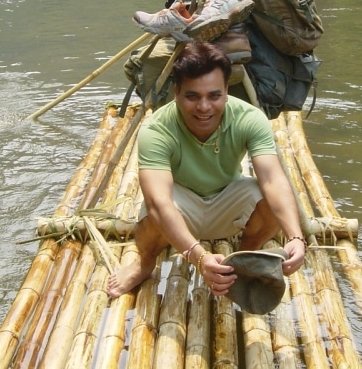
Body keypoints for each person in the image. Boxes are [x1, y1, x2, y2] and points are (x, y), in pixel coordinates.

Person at [107, 41, 307, 299]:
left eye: (214, 96)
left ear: (226, 91)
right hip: (181, 203)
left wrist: (296, 236)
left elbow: (273, 179)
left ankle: (244, 257)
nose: (204, 107)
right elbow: (159, 202)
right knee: (153, 210)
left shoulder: (249, 118)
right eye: (193, 96)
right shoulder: (156, 129)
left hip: (228, 196)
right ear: (177, 92)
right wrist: (199, 257)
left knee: (270, 198)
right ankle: (144, 264)